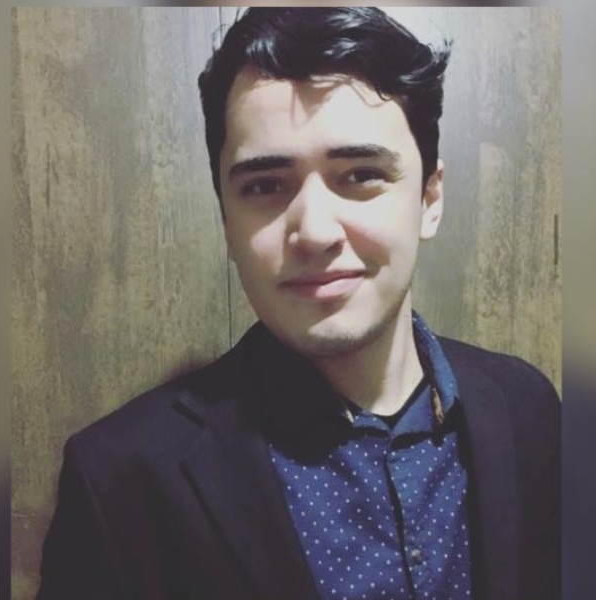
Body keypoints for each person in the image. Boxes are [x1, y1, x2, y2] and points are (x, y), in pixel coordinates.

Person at [36, 8, 560, 600]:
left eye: (360, 175)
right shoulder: (118, 480)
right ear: (227, 221)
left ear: (429, 200)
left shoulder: (528, 407)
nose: (313, 231)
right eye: (265, 186)